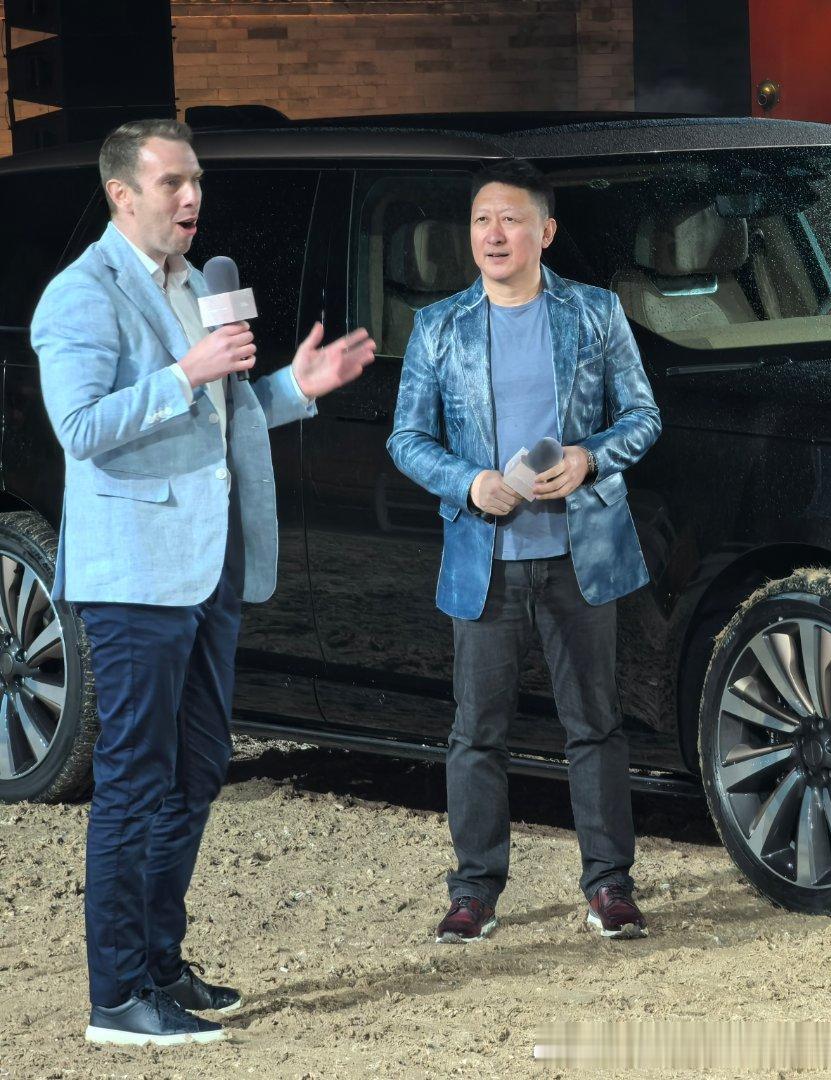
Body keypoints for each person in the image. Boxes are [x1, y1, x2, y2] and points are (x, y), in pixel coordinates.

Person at [31, 120, 376, 1047]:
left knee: (195, 769)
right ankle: (116, 1000)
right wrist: (186, 371)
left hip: (208, 565)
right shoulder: (81, 295)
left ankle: (159, 964)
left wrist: (296, 387)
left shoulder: (195, 284)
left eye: (196, 181)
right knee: (134, 779)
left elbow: (221, 416)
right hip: (135, 576)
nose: (192, 197)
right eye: (172, 183)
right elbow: (80, 427)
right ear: (122, 194)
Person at [386, 160, 661, 945]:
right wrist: (470, 483)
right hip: (487, 563)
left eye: (511, 219)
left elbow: (643, 416)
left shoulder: (596, 312)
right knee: (477, 732)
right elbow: (407, 439)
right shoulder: (440, 327)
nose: (494, 234)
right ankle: (474, 891)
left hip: (582, 556)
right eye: (482, 220)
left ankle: (609, 885)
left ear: (546, 231)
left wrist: (590, 458)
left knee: (595, 726)